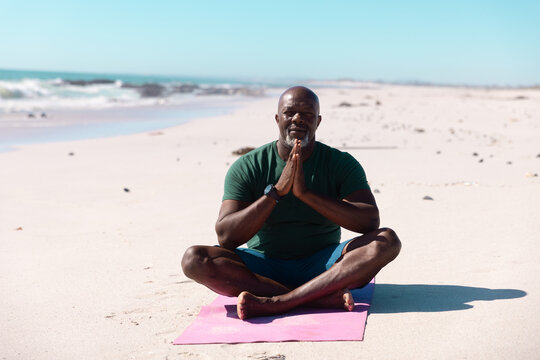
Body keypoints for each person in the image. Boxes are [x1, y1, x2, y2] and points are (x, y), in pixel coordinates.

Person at [182, 86, 401, 320]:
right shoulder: (249, 165)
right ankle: (315, 298)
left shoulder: (340, 163)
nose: (298, 118)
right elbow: (227, 237)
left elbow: (369, 221)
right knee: (195, 260)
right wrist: (275, 193)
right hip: (262, 266)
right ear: (278, 119)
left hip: (325, 264)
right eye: (289, 113)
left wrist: (306, 193)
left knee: (386, 241)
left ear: (318, 121)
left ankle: (280, 302)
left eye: (307, 114)